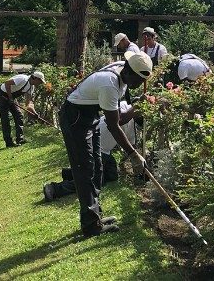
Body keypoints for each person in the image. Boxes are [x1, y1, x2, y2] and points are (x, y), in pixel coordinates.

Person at [58, 51, 152, 237]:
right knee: (84, 169)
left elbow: (118, 117)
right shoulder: (110, 83)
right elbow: (114, 125)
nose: (139, 86)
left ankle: (96, 216)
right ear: (129, 71)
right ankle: (91, 226)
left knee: (97, 168)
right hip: (75, 119)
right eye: (138, 81)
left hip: (89, 115)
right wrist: (134, 155)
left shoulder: (122, 77)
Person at [43, 101, 139, 201]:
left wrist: (140, 165)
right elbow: (120, 119)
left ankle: (72, 173)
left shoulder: (133, 128)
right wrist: (137, 106)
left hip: (105, 151)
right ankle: (54, 189)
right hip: (94, 144)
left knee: (112, 175)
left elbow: (132, 147)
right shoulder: (123, 106)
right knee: (94, 181)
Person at [0, 71, 45, 148]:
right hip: (3, 95)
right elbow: (7, 83)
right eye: (40, 81)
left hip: (11, 97)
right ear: (35, 78)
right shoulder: (23, 79)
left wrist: (34, 113)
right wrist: (10, 97)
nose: (40, 83)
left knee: (19, 115)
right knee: (5, 119)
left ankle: (20, 139)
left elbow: (28, 103)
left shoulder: (30, 87)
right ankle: (8, 142)